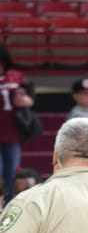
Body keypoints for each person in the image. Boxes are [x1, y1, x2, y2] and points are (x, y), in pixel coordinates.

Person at [0, 45, 35, 202]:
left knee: (12, 172)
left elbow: (31, 99)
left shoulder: (16, 77)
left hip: (12, 133)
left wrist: (25, 101)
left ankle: (8, 204)